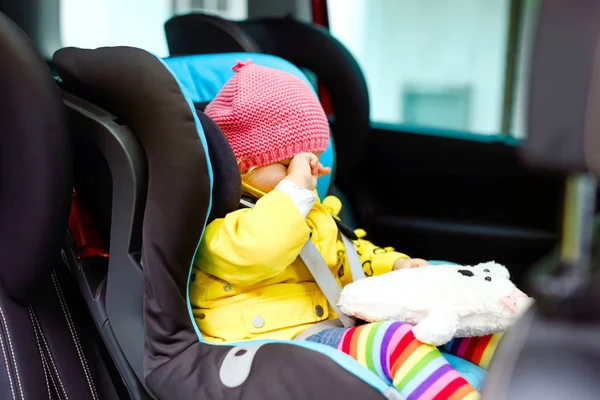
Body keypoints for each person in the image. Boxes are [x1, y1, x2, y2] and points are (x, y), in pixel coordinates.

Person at [190, 60, 498, 399]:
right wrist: (294, 191)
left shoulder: (308, 209)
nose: (309, 173)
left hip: (332, 323)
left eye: (312, 160)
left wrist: (393, 265)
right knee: (394, 342)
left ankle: (521, 371)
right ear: (240, 165)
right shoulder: (221, 226)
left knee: (451, 312)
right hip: (278, 344)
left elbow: (351, 249)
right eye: (287, 164)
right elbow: (263, 247)